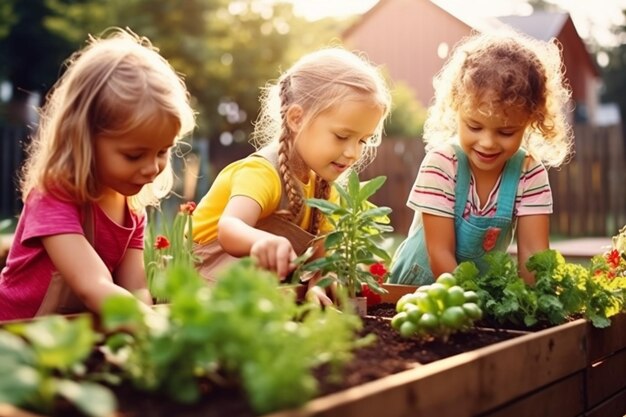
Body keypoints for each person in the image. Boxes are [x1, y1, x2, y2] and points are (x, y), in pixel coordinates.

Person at [0, 28, 195, 320]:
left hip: (71, 341)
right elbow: (94, 286)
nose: (152, 167)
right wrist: (154, 329)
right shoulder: (54, 198)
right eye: (134, 155)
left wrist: (146, 325)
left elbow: (136, 288)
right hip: (16, 341)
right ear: (84, 139)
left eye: (162, 152)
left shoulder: (131, 211)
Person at [192, 47, 391, 301]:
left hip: (254, 295)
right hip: (200, 281)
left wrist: (317, 286)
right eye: (342, 136)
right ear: (296, 118)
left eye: (364, 141)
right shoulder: (262, 172)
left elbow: (322, 257)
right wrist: (261, 242)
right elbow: (230, 228)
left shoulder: (325, 188)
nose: (353, 152)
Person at [389, 30, 573, 286]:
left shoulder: (529, 173)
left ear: (530, 121)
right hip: (416, 290)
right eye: (474, 126)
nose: (487, 143)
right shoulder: (442, 165)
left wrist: (536, 301)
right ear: (456, 108)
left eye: (506, 131)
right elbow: (439, 253)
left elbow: (534, 255)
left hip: (478, 298)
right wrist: (467, 304)